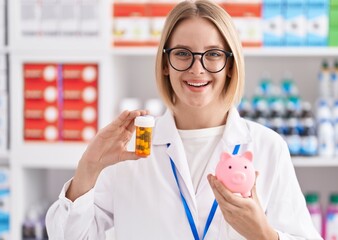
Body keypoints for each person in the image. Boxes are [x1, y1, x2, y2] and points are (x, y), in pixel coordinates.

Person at [46, 0, 323, 239]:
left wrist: (263, 235)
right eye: (182, 54)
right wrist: (88, 168)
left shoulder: (267, 147)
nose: (197, 68)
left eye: (213, 54)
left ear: (230, 65)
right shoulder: (131, 151)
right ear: (165, 63)